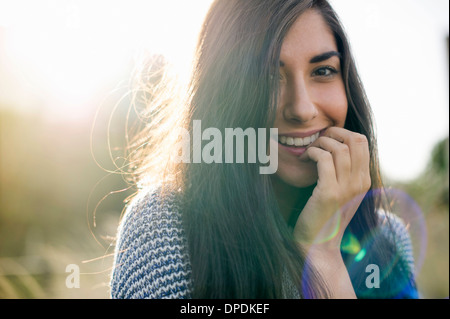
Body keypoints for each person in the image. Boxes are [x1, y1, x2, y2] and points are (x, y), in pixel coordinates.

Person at [110, 0, 418, 299]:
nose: (302, 108)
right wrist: (318, 251)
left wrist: (323, 248)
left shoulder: (388, 237)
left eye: (323, 70)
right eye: (267, 76)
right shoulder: (161, 229)